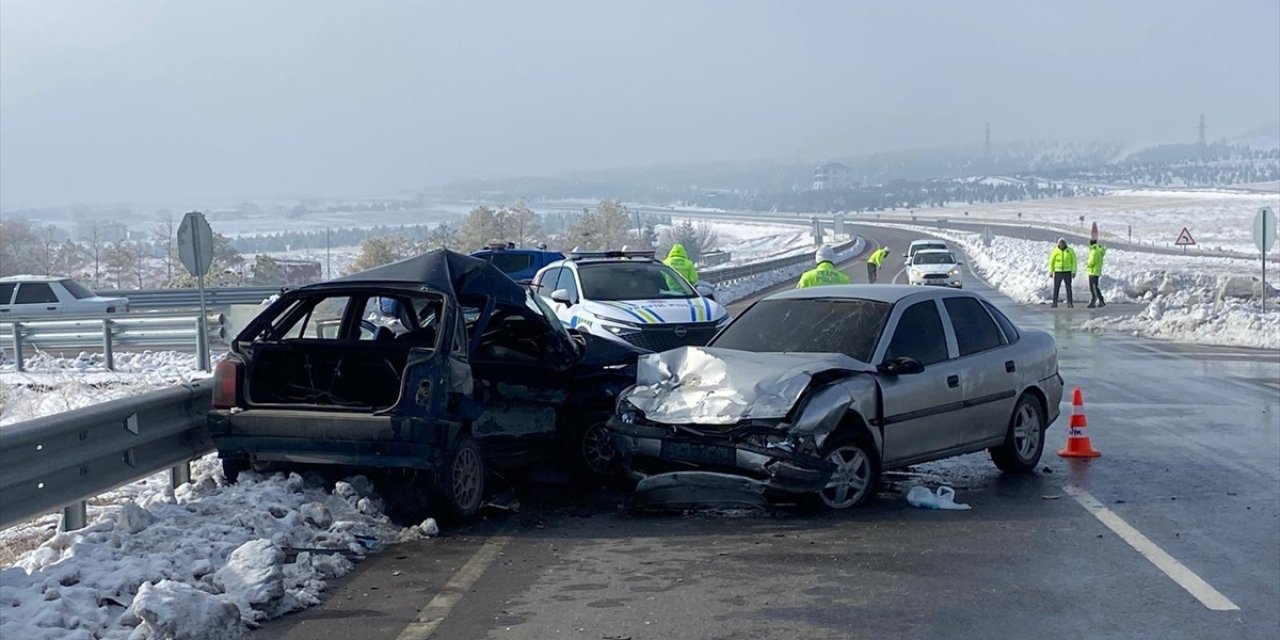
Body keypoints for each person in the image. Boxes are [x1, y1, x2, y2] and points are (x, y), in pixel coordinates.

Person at [1048, 237, 1078, 308]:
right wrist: (1051, 271)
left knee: (1068, 287)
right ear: (1058, 244)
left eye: (1063, 243)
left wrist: (1074, 271)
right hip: (1058, 272)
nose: (1062, 244)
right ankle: (1054, 303)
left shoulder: (1070, 250)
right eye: (1060, 243)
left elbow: (1074, 261)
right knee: (1056, 287)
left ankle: (1070, 303)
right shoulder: (1055, 251)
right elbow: (1051, 261)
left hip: (1067, 272)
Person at [1086, 239, 1106, 308]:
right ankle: (1100, 300)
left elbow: (1092, 261)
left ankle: (1094, 300)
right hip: (1096, 271)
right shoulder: (1098, 250)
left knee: (1093, 287)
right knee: (1095, 287)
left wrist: (1088, 264)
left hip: (1093, 271)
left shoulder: (1094, 251)